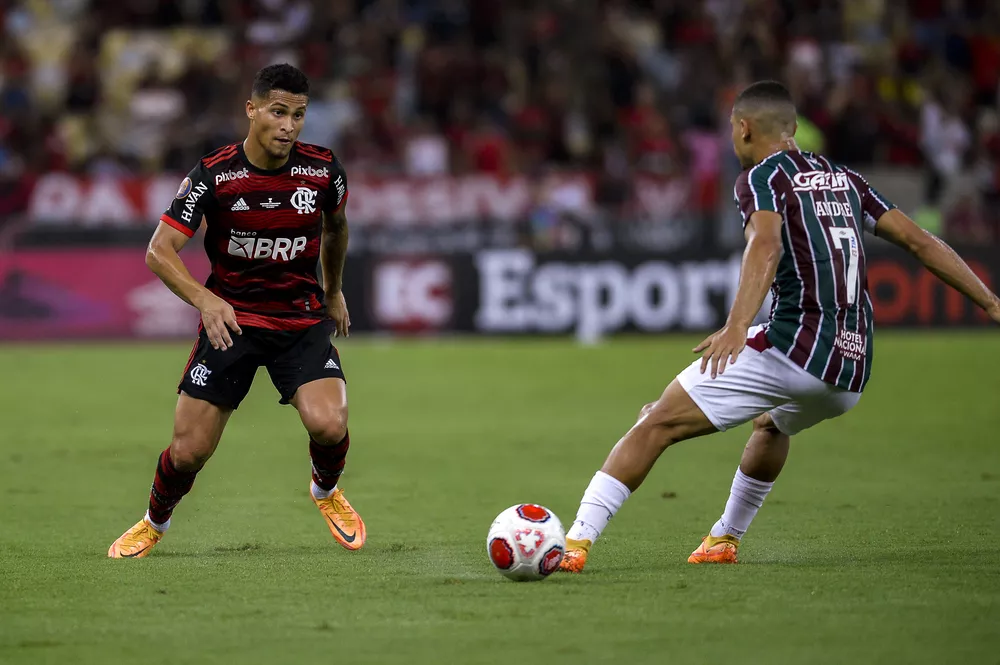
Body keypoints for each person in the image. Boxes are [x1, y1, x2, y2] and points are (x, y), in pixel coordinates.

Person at [559, 80, 1000, 572]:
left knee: (654, 421)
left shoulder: (760, 179)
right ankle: (724, 539)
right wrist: (990, 302)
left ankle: (574, 545)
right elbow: (920, 241)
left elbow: (764, 245)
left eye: (731, 128)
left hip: (795, 347)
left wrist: (735, 325)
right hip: (851, 371)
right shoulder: (845, 179)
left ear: (745, 128)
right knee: (771, 423)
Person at [108, 64, 365, 558]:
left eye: (298, 115)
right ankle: (153, 522)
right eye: (277, 112)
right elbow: (159, 251)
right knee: (188, 452)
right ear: (252, 110)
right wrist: (206, 300)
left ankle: (326, 492)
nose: (288, 125)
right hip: (233, 324)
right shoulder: (214, 175)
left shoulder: (323, 170)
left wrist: (333, 291)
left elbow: (336, 228)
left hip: (299, 319)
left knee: (330, 425)